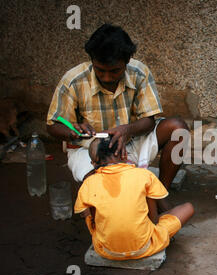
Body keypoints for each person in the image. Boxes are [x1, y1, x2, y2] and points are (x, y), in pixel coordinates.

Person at [46, 24, 189, 213]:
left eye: (114, 71)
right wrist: (72, 132)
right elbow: (52, 125)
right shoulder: (73, 80)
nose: (106, 77)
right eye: (100, 70)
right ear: (92, 61)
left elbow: (149, 121)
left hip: (131, 140)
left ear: (127, 61)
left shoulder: (139, 73)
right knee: (98, 189)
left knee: (178, 128)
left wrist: (127, 130)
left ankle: (159, 193)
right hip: (90, 149)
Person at [74, 137, 194, 261]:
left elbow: (94, 222)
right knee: (187, 208)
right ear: (125, 155)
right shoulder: (144, 175)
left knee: (87, 210)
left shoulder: (88, 183)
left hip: (106, 250)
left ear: (94, 162)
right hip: (145, 246)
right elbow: (153, 220)